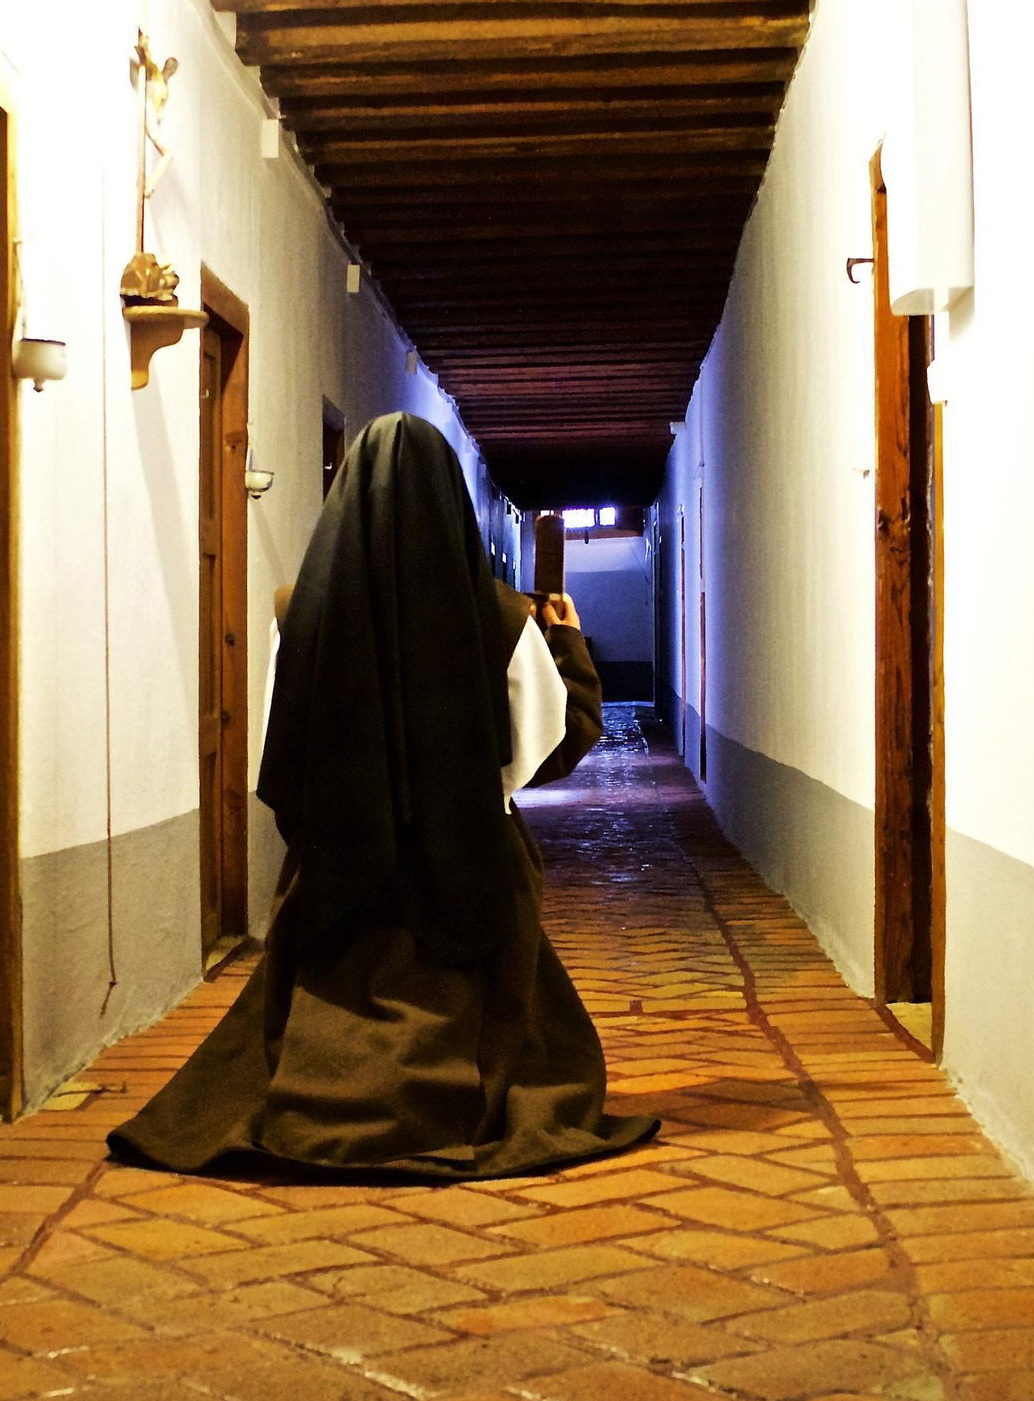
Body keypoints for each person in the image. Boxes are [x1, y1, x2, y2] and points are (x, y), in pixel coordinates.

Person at [107, 412, 659, 1179]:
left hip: (339, 852)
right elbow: (549, 746)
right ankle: (455, 1105)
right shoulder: (502, 616)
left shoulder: (294, 609)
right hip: (472, 856)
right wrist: (566, 643)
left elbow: (280, 745)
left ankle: (324, 1097)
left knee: (325, 995)